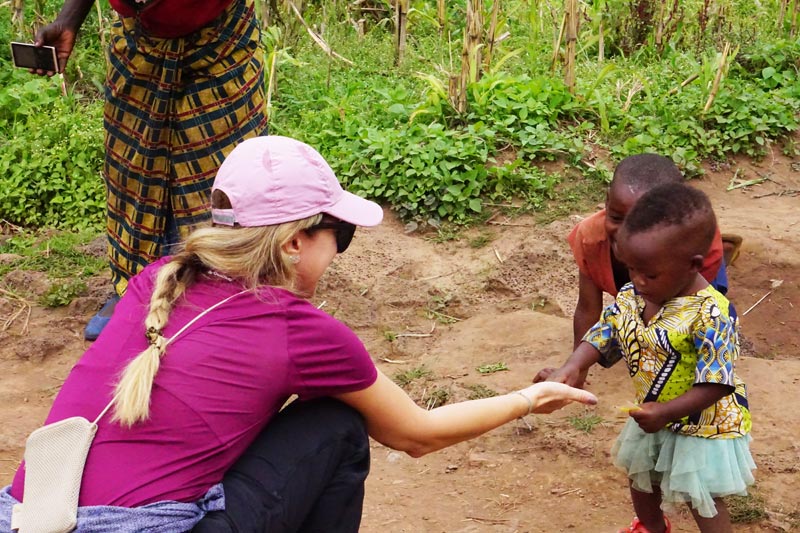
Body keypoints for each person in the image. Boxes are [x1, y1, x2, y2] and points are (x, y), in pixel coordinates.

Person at [1, 136, 598, 533]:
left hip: (28, 515)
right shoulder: (299, 330)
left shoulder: (159, 279)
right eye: (339, 231)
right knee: (336, 425)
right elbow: (417, 436)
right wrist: (527, 399)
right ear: (293, 242)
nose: (339, 248)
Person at [34, 0, 269, 340]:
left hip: (221, 40)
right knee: (134, 165)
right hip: (139, 42)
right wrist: (69, 19)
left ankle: (217, 290)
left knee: (222, 170)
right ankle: (136, 285)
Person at [535, 182, 755, 533]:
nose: (636, 281)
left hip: (702, 425)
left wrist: (666, 412)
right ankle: (652, 528)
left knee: (704, 497)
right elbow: (605, 331)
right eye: (630, 269)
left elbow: (717, 382)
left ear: (692, 265)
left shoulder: (712, 313)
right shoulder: (634, 294)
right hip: (652, 412)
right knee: (642, 480)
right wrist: (573, 366)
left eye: (648, 273)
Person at [567, 154, 730, 349]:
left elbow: (688, 313)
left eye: (641, 225)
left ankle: (726, 254)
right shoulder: (591, 240)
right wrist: (575, 369)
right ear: (607, 202)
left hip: (688, 282)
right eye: (617, 218)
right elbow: (588, 310)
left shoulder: (698, 251)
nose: (624, 233)